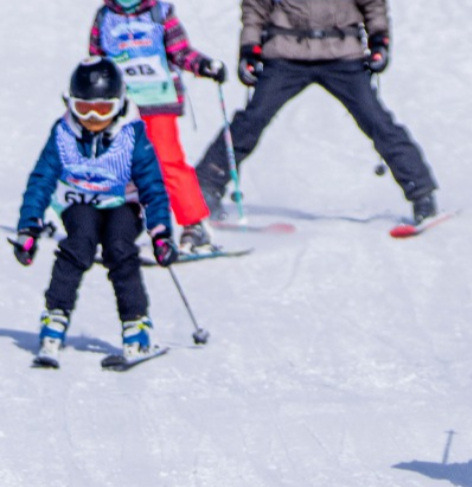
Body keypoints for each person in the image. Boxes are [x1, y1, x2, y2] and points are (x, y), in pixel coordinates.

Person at [194, 0, 438, 224]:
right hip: (285, 53)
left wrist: (379, 41)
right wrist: (249, 49)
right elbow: (256, 8)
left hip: (341, 53)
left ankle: (422, 194)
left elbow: (373, 5)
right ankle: (206, 187)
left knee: (376, 120)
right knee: (253, 119)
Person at [11, 58, 177, 368]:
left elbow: (153, 187)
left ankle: (136, 326)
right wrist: (28, 227)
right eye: (83, 107)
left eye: (102, 110)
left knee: (119, 249)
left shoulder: (133, 135)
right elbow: (41, 179)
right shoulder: (62, 133)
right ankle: (54, 320)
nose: (91, 118)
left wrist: (161, 232)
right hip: (79, 203)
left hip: (122, 204)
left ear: (119, 104)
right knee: (78, 246)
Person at [89, 0, 226, 257]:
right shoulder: (105, 17)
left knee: (167, 161)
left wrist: (204, 65)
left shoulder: (159, 12)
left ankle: (194, 225)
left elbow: (180, 51)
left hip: (158, 98)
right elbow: (96, 61)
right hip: (119, 105)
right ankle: (116, 227)